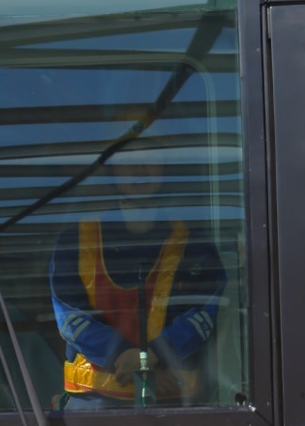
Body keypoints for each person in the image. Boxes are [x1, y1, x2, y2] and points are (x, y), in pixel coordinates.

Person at [49, 151, 226, 406]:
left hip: (174, 405)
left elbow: (204, 311)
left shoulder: (196, 245)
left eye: (150, 158)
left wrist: (151, 356)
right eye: (126, 160)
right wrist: (136, 360)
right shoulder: (74, 241)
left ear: (165, 167)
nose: (139, 168)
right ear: (112, 170)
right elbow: (69, 316)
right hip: (92, 406)